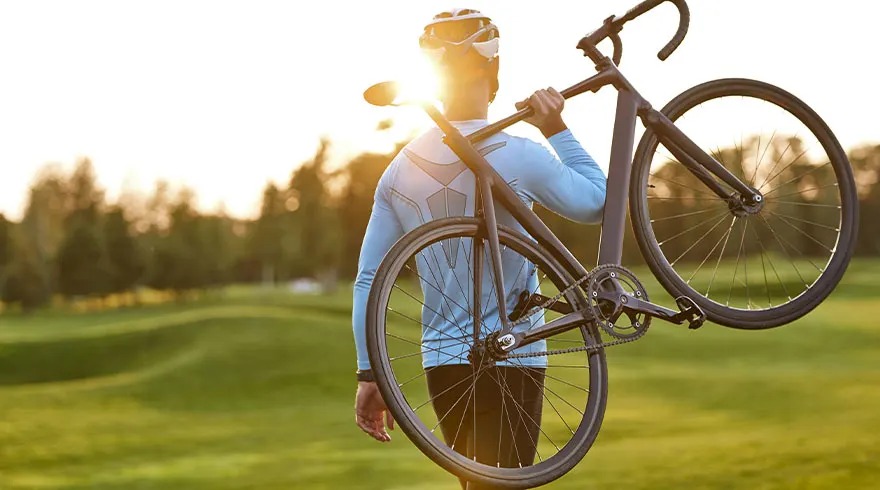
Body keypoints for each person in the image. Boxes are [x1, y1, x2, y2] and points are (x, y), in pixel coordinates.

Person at [352, 8, 607, 489]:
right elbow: (598, 203)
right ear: (493, 74)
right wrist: (557, 129)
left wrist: (371, 373)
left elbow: (368, 278)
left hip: (443, 361)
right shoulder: (518, 152)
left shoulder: (399, 171)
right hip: (515, 354)